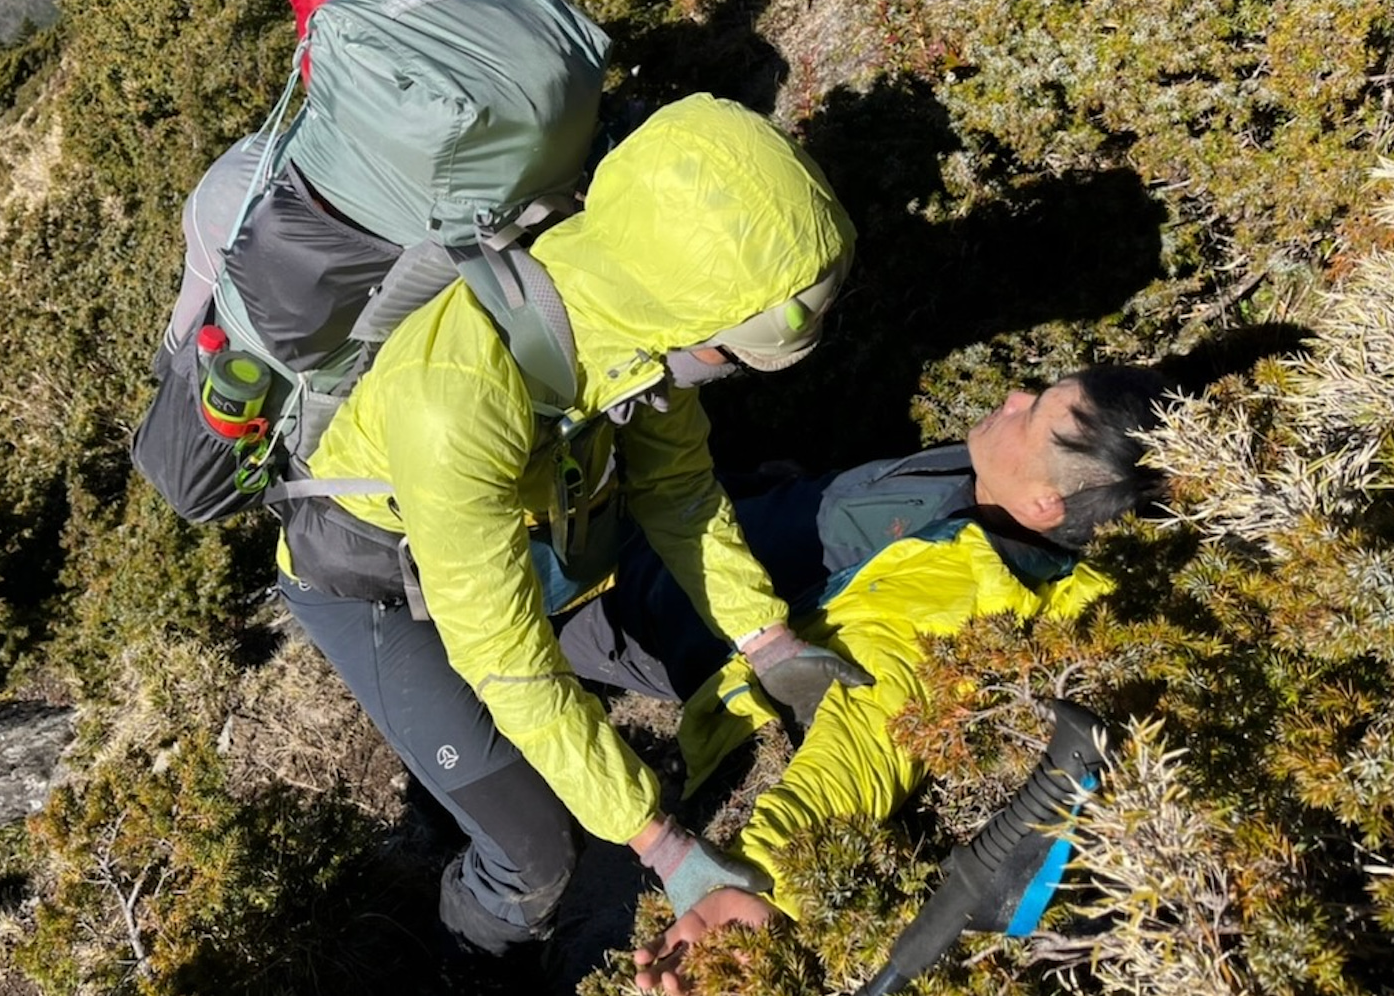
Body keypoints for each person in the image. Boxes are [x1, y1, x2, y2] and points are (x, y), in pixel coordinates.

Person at [274, 93, 860, 977]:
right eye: (733, 355)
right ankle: (471, 958)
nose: (731, 375)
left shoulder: (629, 325)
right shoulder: (460, 397)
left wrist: (768, 640)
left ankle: (459, 787)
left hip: (501, 553)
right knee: (538, 853)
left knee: (518, 741)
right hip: (369, 584)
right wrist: (668, 849)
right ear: (688, 319)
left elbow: (678, 488)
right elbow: (508, 659)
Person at [565, 365, 1172, 994]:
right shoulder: (992, 496)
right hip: (724, 521)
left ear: (1045, 504)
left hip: (645, 617)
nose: (1015, 395)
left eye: (1034, 411)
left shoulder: (958, 604)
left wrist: (762, 884)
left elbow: (871, 737)